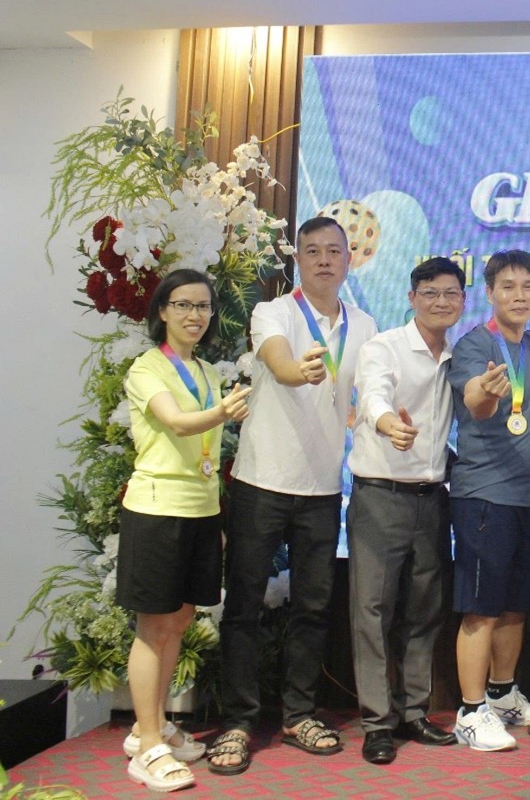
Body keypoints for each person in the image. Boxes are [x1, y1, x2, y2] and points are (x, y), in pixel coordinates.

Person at [210, 217, 376, 775]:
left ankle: (299, 714)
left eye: (334, 251)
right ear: (297, 260)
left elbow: (371, 392)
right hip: (262, 481)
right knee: (243, 606)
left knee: (313, 607)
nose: (324, 260)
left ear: (349, 259)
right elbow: (280, 363)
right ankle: (238, 722)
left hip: (323, 487)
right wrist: (299, 371)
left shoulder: (365, 325)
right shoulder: (273, 313)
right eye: (313, 251)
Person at [118, 269, 251, 792]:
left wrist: (216, 518)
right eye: (183, 305)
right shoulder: (147, 367)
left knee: (178, 620)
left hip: (200, 509)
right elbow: (175, 422)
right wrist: (222, 412)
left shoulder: (206, 370)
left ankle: (148, 727)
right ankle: (148, 746)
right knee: (153, 627)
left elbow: (207, 448)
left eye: (203, 306)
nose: (195, 315)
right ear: (162, 311)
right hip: (156, 509)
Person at [348, 257, 466, 765]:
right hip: (381, 496)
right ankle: (378, 723)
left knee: (425, 610)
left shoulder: (458, 357)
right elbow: (372, 394)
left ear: (463, 301)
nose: (441, 302)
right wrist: (385, 423)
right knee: (372, 612)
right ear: (412, 298)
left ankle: (415, 712)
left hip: (433, 499)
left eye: (451, 293)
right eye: (430, 293)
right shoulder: (385, 347)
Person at [447, 250, 530, 752]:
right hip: (483, 496)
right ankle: (470, 713)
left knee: (514, 607)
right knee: (481, 610)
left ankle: (502, 695)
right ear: (489, 292)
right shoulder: (474, 344)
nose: (519, 295)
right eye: (508, 286)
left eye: (528, 286)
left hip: (529, 497)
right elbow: (475, 400)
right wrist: (488, 391)